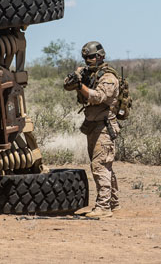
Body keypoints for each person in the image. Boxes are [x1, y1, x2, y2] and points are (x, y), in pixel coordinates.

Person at [64, 41, 120, 218]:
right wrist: (74, 79)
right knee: (105, 166)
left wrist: (80, 86)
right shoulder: (86, 72)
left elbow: (98, 97)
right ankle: (113, 202)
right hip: (92, 125)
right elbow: (67, 85)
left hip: (104, 126)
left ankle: (103, 207)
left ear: (101, 56)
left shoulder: (109, 78)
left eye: (91, 57)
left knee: (99, 165)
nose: (88, 60)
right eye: (85, 57)